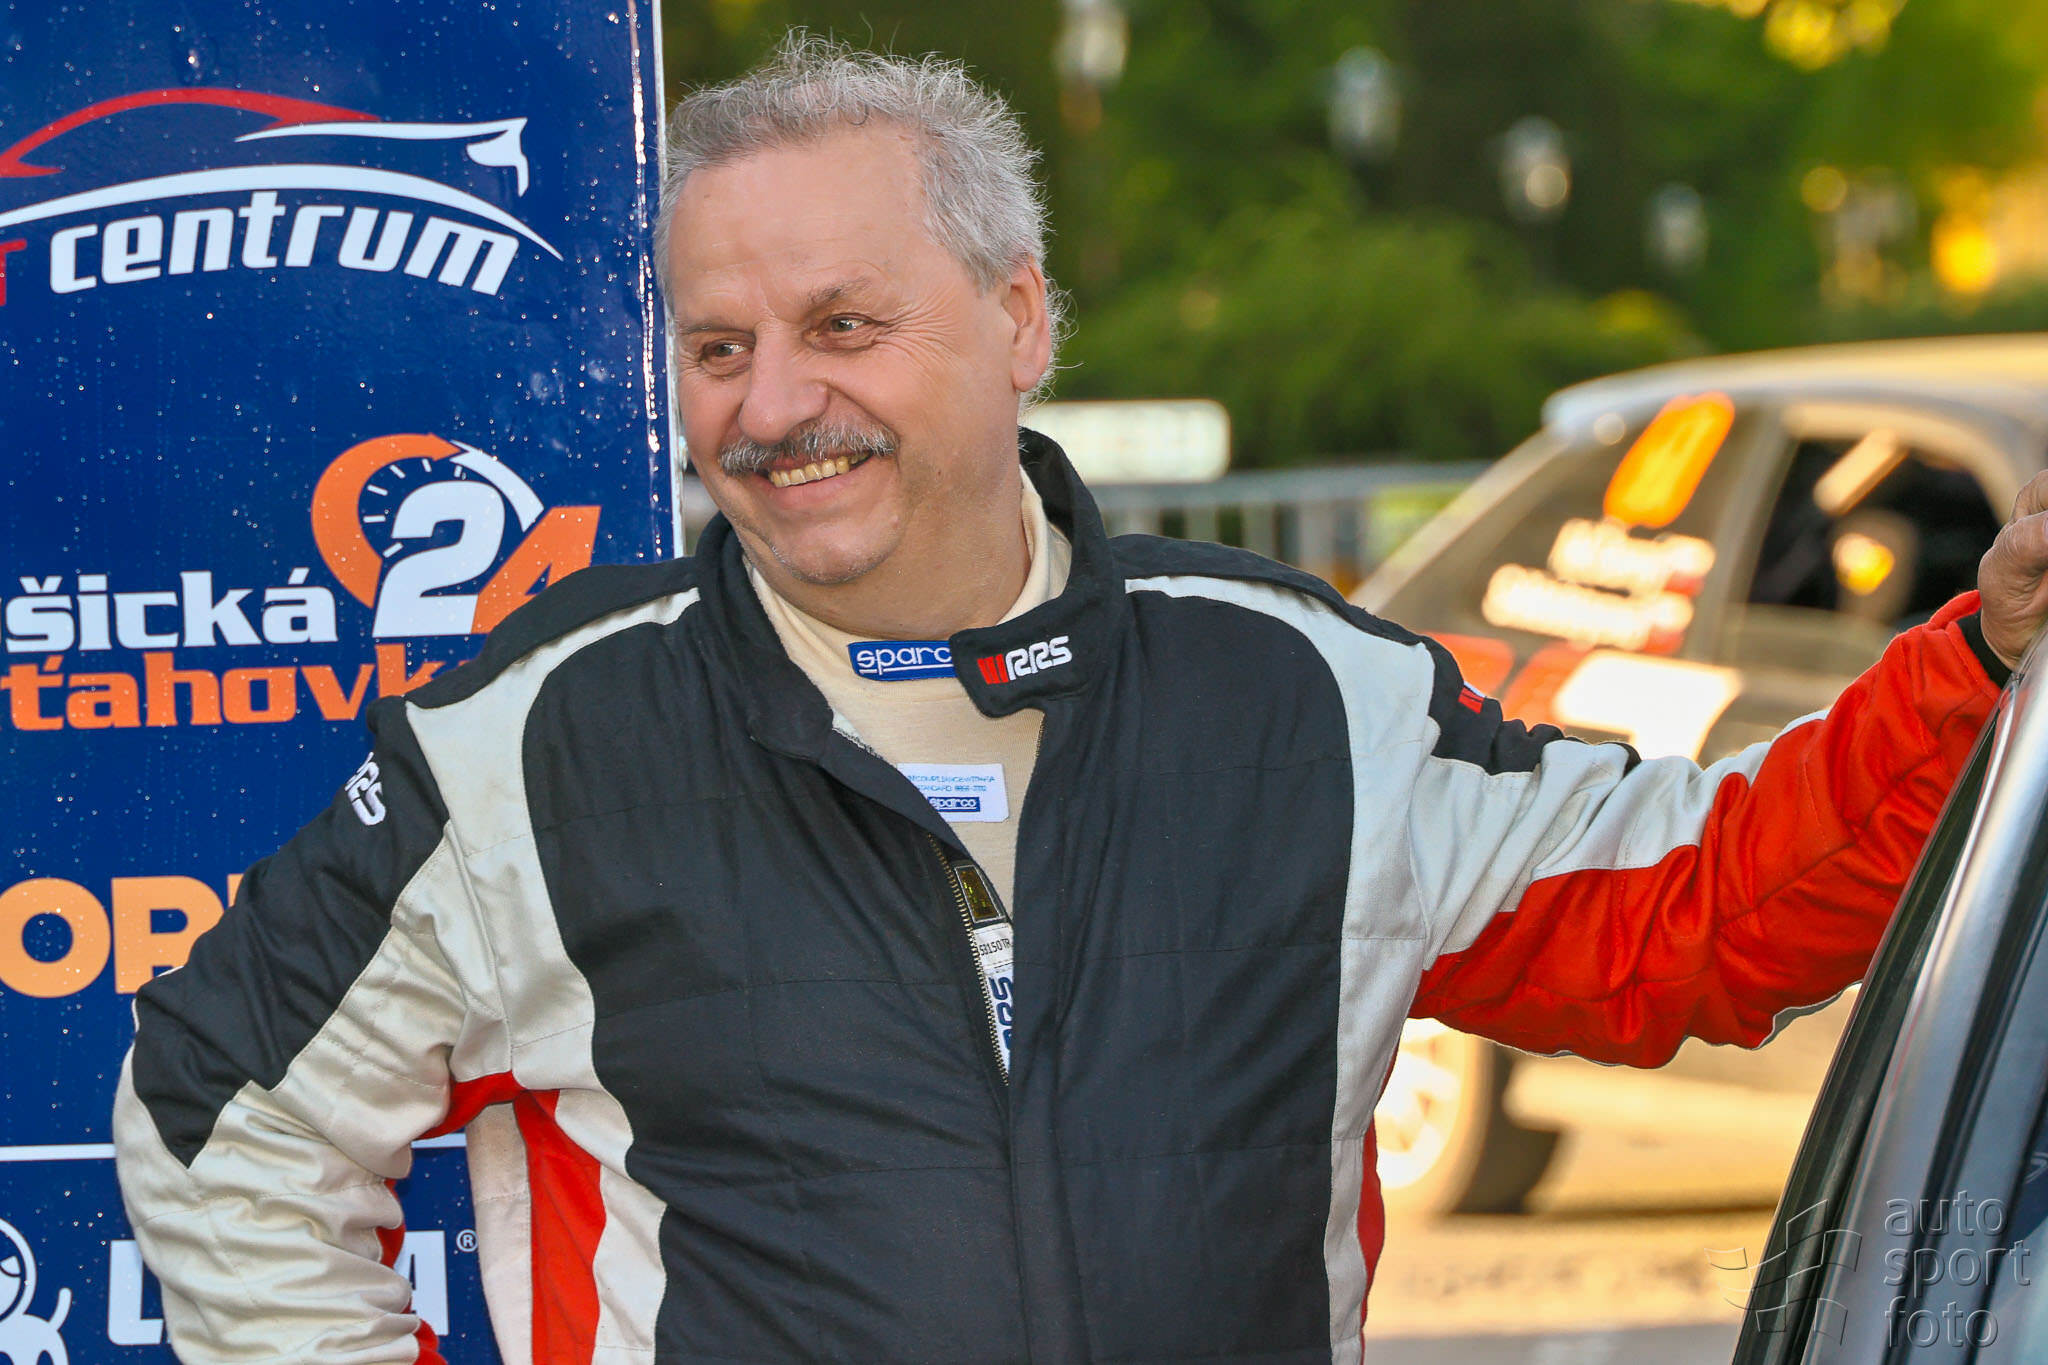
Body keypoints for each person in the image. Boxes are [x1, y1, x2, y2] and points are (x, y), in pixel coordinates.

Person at [113, 33, 2048, 1365]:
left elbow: (1706, 910)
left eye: (844, 325)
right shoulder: (540, 737)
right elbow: (219, 1126)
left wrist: (1978, 664)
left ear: (1022, 317)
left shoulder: (1300, 692)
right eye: (718, 345)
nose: (774, 404)